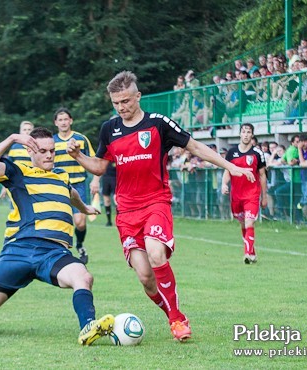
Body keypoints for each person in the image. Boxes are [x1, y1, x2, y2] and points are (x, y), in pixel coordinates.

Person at [66, 71, 255, 342]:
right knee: (145, 277)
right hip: (127, 211)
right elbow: (99, 166)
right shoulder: (109, 128)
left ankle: (177, 320)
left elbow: (195, 147)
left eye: (126, 101)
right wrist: (78, 156)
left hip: (156, 202)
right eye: (116, 102)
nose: (122, 107)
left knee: (156, 255)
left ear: (138, 96)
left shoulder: (158, 123)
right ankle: (173, 315)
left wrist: (230, 166)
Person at [0, 127, 114, 346]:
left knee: (83, 277)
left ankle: (88, 326)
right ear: (31, 152)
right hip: (18, 251)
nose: (49, 155)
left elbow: (72, 193)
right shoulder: (18, 171)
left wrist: (84, 208)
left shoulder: (61, 176)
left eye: (52, 150)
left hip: (54, 253)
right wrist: (11, 138)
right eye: (42, 151)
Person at [53, 108, 100, 264]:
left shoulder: (81, 139)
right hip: (59, 186)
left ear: (71, 121)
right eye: (60, 120)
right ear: (56, 123)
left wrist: (95, 181)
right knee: (61, 221)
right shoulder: (52, 142)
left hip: (78, 184)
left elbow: (95, 161)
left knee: (80, 222)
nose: (63, 122)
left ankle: (79, 245)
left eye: (66, 119)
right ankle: (62, 251)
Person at [221, 124, 267, 264]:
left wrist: (264, 197)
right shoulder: (231, 153)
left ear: (252, 135)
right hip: (236, 195)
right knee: (243, 224)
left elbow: (263, 175)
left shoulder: (258, 154)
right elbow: (227, 170)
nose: (246, 134)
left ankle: (247, 254)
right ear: (240, 134)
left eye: (249, 132)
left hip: (252, 195)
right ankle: (252, 252)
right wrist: (224, 184)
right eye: (244, 132)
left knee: (249, 222)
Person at [0, 121, 34, 201]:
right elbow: (8, 168)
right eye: (24, 129)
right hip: (17, 183)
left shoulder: (37, 147)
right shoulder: (14, 148)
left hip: (32, 183)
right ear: (20, 132)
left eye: (29, 129)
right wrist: (4, 187)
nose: (27, 131)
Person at [101, 162, 116, 227]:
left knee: (116, 199)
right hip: (106, 177)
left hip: (116, 177)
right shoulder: (104, 154)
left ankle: (119, 219)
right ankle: (109, 221)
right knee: (106, 199)